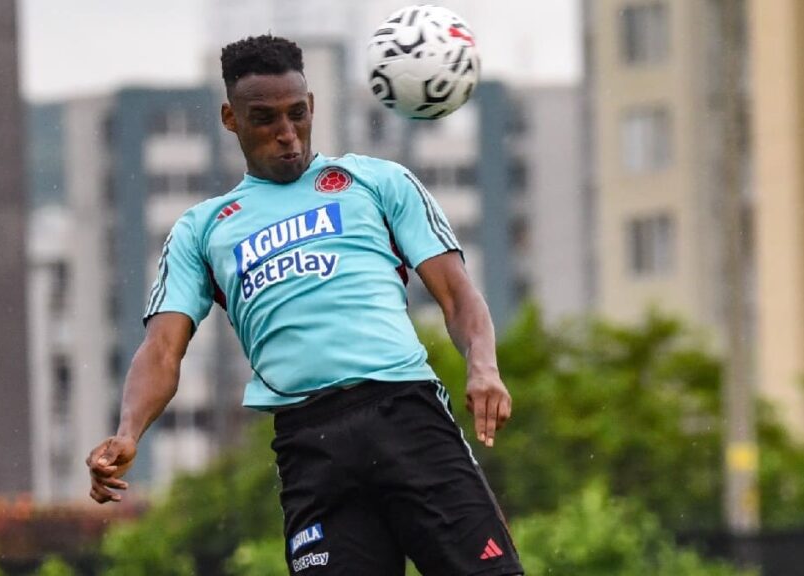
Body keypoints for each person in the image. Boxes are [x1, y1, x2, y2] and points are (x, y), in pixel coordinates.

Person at [87, 34, 524, 576]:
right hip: (310, 444)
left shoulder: (377, 182)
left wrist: (482, 366)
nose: (287, 134)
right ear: (231, 119)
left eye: (297, 113)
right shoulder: (201, 230)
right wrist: (129, 431)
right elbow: (161, 350)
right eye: (265, 118)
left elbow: (458, 296)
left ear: (312, 105)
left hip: (405, 416)